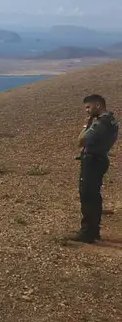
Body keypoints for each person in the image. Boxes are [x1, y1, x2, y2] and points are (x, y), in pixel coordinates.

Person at [69, 94, 118, 243]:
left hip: (93, 161)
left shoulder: (101, 122)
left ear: (97, 105)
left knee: (88, 196)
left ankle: (87, 232)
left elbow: (81, 140)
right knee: (94, 196)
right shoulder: (111, 120)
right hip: (99, 159)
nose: (87, 111)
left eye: (88, 107)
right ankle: (93, 230)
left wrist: (86, 125)